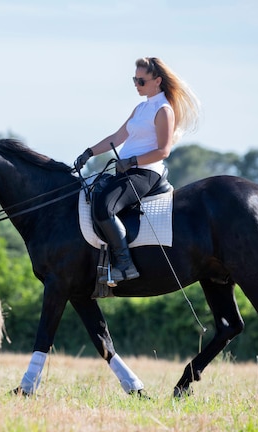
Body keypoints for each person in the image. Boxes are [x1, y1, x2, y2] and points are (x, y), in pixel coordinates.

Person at [74, 56, 200, 287]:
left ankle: (125, 265)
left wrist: (132, 161)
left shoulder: (163, 111)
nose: (136, 84)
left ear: (157, 81)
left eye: (141, 80)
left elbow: (163, 151)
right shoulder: (141, 108)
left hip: (145, 174)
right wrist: (89, 152)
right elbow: (117, 137)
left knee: (104, 206)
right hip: (127, 171)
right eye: (134, 79)